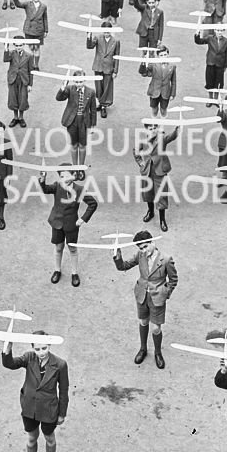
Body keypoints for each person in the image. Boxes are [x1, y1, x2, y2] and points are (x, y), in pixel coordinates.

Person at [2, 330, 69, 452]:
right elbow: (10, 364)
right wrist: (7, 349)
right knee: (31, 438)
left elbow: (64, 390)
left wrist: (61, 414)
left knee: (49, 439)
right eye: (37, 349)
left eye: (44, 348)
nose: (41, 353)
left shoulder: (60, 364)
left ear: (49, 345)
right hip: (30, 407)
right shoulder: (29, 358)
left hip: (48, 409)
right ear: (32, 348)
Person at [113, 229, 178, 369]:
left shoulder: (166, 259)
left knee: (156, 328)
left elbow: (173, 279)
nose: (144, 250)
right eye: (141, 248)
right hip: (142, 294)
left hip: (157, 297)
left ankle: (158, 353)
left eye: (146, 246)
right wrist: (117, 255)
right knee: (143, 322)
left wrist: (165, 293)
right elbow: (123, 266)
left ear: (152, 242)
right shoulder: (140, 255)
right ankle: (143, 349)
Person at [39, 164, 98, 287]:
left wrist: (82, 219)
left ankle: (74, 273)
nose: (62, 179)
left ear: (73, 176)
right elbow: (45, 190)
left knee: (72, 248)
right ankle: (57, 270)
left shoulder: (79, 189)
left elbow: (93, 204)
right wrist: (43, 179)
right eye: (61, 176)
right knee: (58, 247)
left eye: (65, 176)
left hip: (71, 225)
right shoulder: (57, 186)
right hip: (56, 223)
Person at [134, 122, 179, 232]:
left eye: (155, 127)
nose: (153, 129)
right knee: (147, 193)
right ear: (146, 129)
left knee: (161, 195)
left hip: (160, 170)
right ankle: (150, 212)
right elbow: (136, 151)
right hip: (147, 171)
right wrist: (140, 162)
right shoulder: (143, 140)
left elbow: (171, 137)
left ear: (158, 128)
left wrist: (178, 128)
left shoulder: (161, 139)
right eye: (150, 127)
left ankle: (162, 220)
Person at [56, 69, 98, 171]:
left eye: (81, 81)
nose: (79, 84)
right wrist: (62, 88)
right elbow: (59, 98)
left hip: (84, 122)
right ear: (73, 81)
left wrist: (92, 126)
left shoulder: (91, 92)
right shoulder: (70, 89)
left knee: (82, 145)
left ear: (85, 80)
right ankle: (75, 167)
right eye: (77, 82)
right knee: (74, 145)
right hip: (72, 121)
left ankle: (81, 167)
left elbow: (93, 110)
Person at [86, 21, 120, 117]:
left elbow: (117, 56)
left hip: (109, 68)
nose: (106, 33)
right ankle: (100, 103)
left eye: (108, 31)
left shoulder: (116, 41)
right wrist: (89, 36)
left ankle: (104, 106)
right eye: (104, 31)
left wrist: (115, 70)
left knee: (107, 87)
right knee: (98, 87)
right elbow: (89, 46)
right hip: (98, 66)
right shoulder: (97, 38)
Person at [12, 0, 47, 70]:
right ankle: (31, 64)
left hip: (39, 30)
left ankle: (36, 65)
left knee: (37, 48)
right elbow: (19, 4)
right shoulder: (28, 4)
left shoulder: (43, 6)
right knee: (31, 48)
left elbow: (45, 18)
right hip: (29, 30)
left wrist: (46, 30)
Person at [194, 22, 227, 102]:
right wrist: (197, 33)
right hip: (210, 64)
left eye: (221, 30)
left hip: (220, 65)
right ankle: (210, 99)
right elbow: (199, 41)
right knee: (209, 82)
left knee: (218, 83)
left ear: (224, 31)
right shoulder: (210, 38)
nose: (219, 32)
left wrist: (225, 66)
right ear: (214, 30)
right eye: (218, 30)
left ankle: (216, 99)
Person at [3, 36, 33, 127]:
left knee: (23, 99)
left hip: (24, 80)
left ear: (24, 45)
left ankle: (21, 117)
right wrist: (6, 49)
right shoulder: (11, 53)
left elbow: (31, 71)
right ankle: (15, 117)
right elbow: (5, 59)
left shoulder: (29, 56)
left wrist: (30, 84)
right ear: (14, 45)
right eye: (16, 45)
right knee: (13, 99)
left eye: (20, 45)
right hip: (13, 79)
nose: (18, 47)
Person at [143, 42, 176, 119]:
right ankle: (154, 125)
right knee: (154, 109)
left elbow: (174, 81)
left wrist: (172, 94)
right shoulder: (153, 65)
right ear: (158, 56)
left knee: (163, 110)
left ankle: (162, 126)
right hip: (154, 91)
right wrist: (143, 63)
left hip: (165, 92)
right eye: (161, 55)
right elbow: (143, 72)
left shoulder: (172, 66)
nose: (164, 57)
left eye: (165, 55)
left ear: (168, 55)